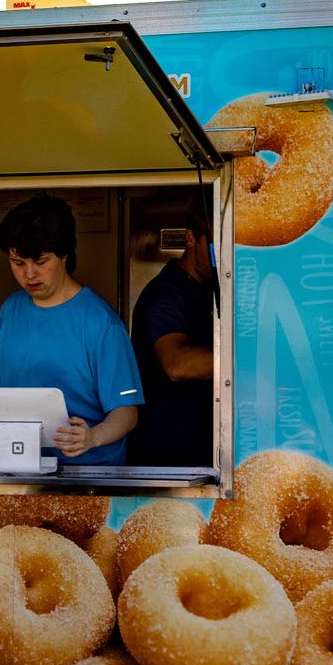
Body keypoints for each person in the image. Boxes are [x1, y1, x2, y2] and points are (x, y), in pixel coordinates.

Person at [0, 194, 144, 466]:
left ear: (64, 254)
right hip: (20, 468)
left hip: (91, 477)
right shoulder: (11, 310)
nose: (29, 274)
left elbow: (127, 412)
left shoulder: (100, 323)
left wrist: (92, 437)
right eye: (18, 263)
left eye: (40, 262)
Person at [129, 196, 217, 466]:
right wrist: (252, 356)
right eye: (216, 247)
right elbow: (176, 364)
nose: (223, 257)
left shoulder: (209, 289)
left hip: (199, 445)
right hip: (166, 453)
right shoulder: (165, 295)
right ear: (191, 238)